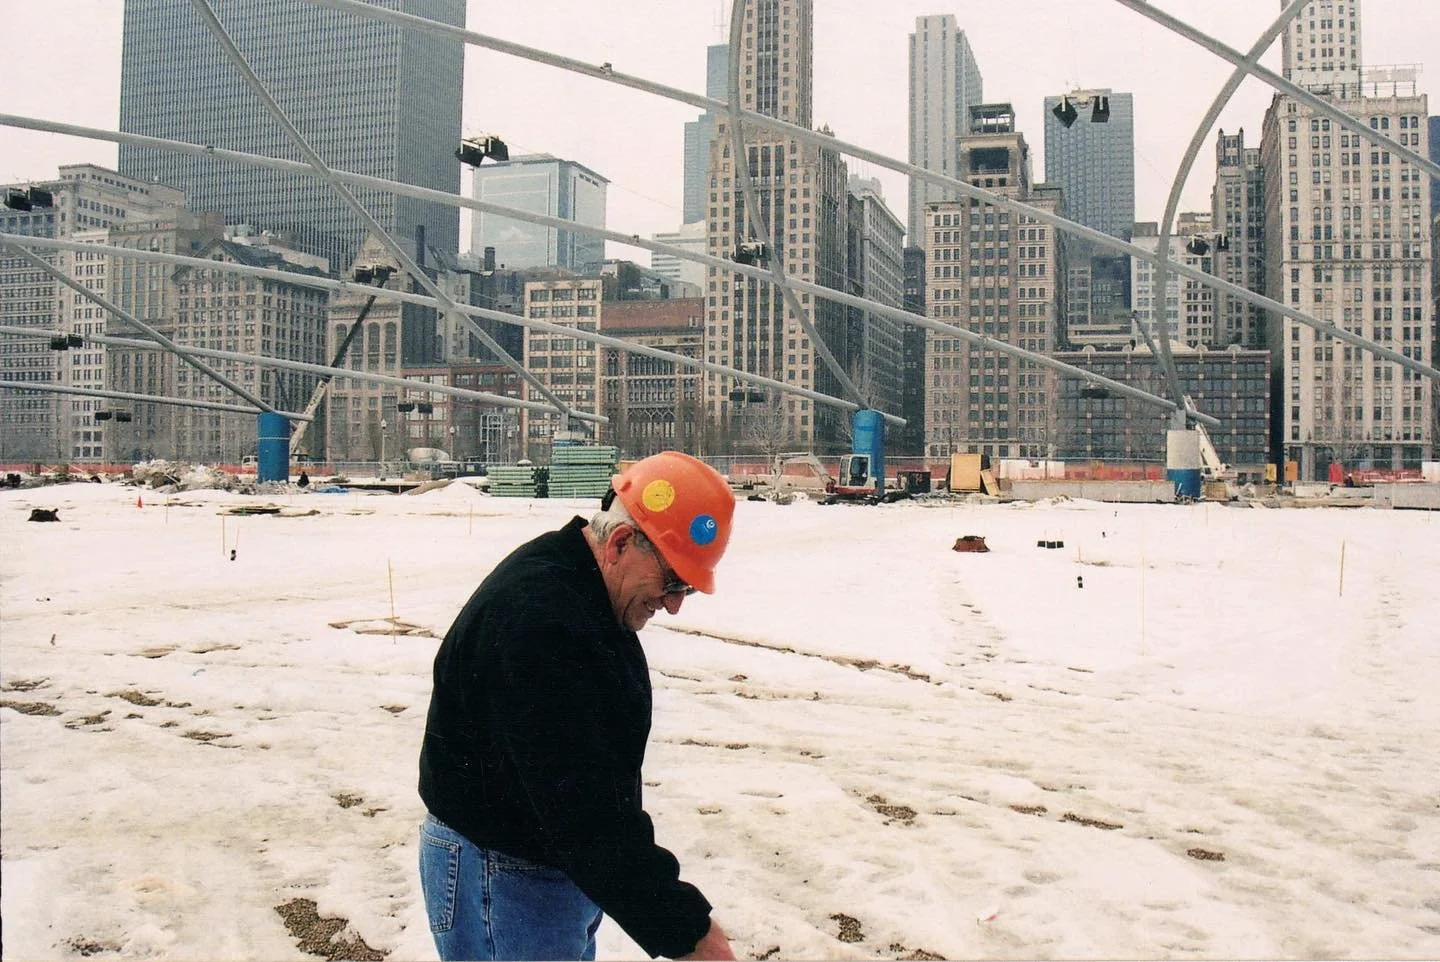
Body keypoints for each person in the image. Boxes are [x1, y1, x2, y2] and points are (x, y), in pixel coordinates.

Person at [418, 451, 738, 961]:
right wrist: (685, 931)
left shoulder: (584, 586)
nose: (675, 604)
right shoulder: (541, 619)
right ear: (620, 542)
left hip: (541, 864)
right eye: (673, 581)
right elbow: (581, 806)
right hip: (501, 877)